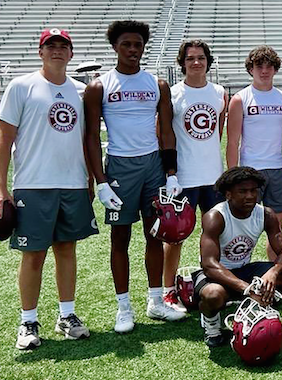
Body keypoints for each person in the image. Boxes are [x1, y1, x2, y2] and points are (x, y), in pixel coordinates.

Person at [0, 28, 98, 349]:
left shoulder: (80, 91)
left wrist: (88, 180)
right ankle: (28, 321)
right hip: (33, 185)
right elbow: (5, 139)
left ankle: (67, 315)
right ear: (41, 52)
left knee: (66, 251)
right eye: (51, 46)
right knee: (33, 255)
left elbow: (85, 140)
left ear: (71, 54)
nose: (57, 51)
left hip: (73, 184)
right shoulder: (21, 86)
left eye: (64, 46)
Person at [83, 20, 185, 333]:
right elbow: (89, 138)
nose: (132, 50)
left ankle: (155, 302)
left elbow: (166, 130)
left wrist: (171, 173)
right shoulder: (99, 86)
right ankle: (123, 308)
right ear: (115, 46)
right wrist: (100, 181)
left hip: (153, 166)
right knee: (120, 237)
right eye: (126, 44)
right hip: (119, 169)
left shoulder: (157, 84)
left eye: (138, 45)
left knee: (156, 234)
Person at [195, 167, 282, 345]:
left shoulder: (265, 214)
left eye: (253, 191)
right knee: (213, 295)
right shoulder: (216, 216)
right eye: (242, 191)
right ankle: (211, 325)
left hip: (244, 269)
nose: (250, 196)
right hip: (217, 273)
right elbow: (209, 265)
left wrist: (273, 273)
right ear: (228, 194)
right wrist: (247, 289)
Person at [163, 39, 228, 313]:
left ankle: (215, 284)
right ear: (183, 63)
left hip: (213, 176)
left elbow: (218, 131)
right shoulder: (174, 94)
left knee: (215, 235)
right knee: (175, 237)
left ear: (208, 61)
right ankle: (167, 291)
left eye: (201, 57)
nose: (196, 62)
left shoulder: (219, 92)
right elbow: (164, 133)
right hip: (184, 178)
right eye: (190, 58)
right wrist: (171, 174)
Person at [227, 45, 282, 261]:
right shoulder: (240, 99)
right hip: (250, 171)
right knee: (243, 225)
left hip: (277, 169)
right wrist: (232, 178)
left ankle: (275, 273)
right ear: (251, 68)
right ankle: (238, 270)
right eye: (259, 66)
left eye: (269, 66)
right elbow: (232, 142)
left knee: (276, 228)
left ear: (276, 69)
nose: (264, 71)